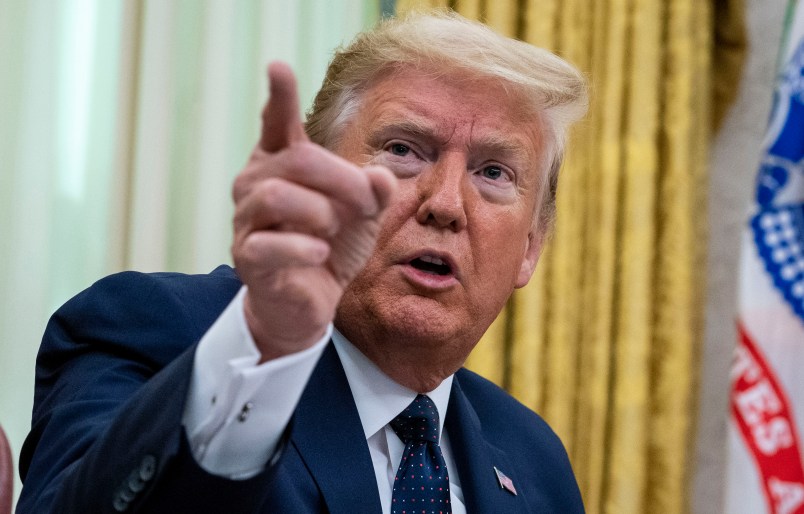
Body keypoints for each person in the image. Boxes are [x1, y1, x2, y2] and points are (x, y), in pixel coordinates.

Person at [17, 10, 588, 514]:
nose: (444, 203)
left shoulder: (535, 460)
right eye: (404, 150)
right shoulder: (144, 333)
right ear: (314, 180)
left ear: (531, 248)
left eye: (493, 173)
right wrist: (268, 343)